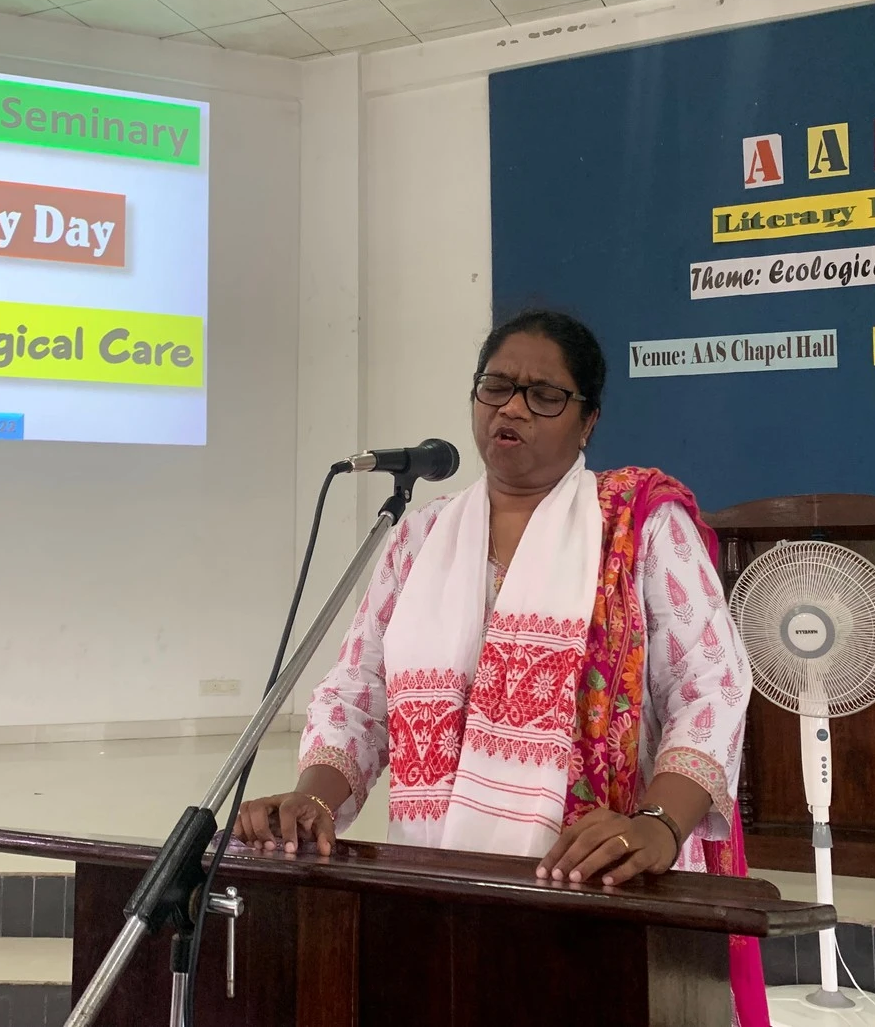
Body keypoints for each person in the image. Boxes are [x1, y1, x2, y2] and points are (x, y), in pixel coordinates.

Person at [234, 309, 768, 1026]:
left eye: (543, 395)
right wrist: (316, 799)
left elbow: (711, 686)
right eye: (496, 387)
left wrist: (658, 823)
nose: (511, 407)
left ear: (588, 421)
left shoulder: (638, 524)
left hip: (604, 882)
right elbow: (359, 691)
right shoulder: (420, 536)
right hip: (440, 882)